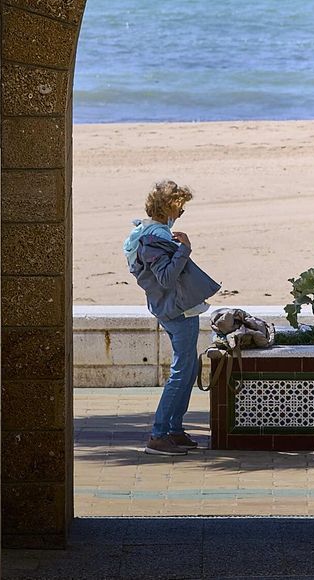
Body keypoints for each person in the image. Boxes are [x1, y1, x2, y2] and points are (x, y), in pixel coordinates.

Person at [124, 180, 220, 456]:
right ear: (169, 207)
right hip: (178, 312)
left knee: (188, 370)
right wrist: (185, 248)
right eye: (180, 208)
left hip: (175, 310)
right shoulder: (154, 239)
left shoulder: (149, 233)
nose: (181, 214)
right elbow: (166, 277)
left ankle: (175, 430)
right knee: (181, 372)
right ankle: (159, 434)